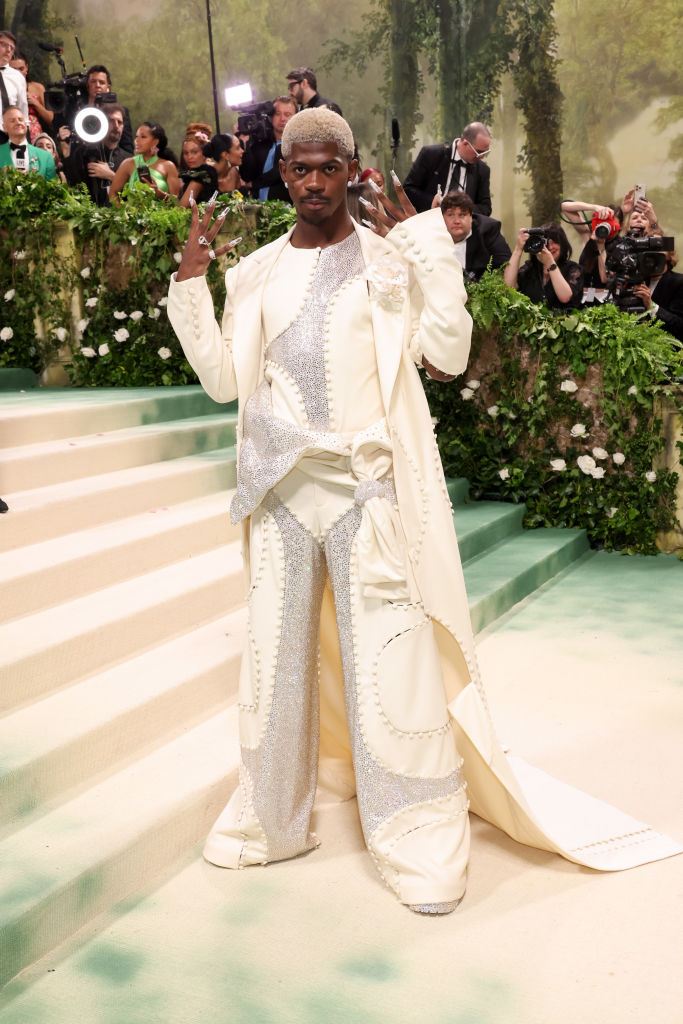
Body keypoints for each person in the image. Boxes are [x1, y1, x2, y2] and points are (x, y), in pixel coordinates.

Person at [167, 107, 680, 912]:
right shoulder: (257, 271)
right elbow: (227, 382)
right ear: (286, 174)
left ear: (350, 170)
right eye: (296, 169)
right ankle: (268, 821)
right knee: (272, 661)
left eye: (324, 168)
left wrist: (430, 251)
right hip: (278, 498)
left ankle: (414, 831)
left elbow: (446, 352)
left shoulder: (389, 259)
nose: (309, 182)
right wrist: (190, 286)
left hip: (367, 492)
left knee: (392, 665)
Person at [404, 122, 492, 214]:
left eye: (485, 152)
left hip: (461, 226)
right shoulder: (431, 155)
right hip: (429, 220)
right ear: (465, 143)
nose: (482, 157)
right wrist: (436, 203)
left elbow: (485, 208)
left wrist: (462, 208)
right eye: (479, 152)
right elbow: (408, 190)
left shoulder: (483, 170)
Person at [61, 104, 132, 205]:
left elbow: (134, 193)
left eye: (119, 122)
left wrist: (112, 176)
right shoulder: (83, 154)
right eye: (111, 120)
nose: (116, 126)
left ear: (123, 126)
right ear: (101, 123)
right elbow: (73, 186)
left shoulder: (129, 159)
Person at [504, 222, 582, 310]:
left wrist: (550, 264)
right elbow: (508, 287)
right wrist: (518, 249)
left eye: (555, 242)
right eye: (546, 243)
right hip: (531, 322)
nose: (550, 247)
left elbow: (565, 297)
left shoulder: (573, 269)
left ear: (563, 244)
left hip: (564, 322)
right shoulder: (529, 268)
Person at [440, 190, 511, 280]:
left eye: (462, 215)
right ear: (442, 218)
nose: (456, 221)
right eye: (451, 215)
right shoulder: (433, 236)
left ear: (471, 217)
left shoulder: (488, 231)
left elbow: (505, 268)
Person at [241, 95, 296, 202]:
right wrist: (246, 144)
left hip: (285, 209)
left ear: (295, 117)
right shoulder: (259, 144)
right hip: (256, 207)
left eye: (287, 114)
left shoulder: (297, 144)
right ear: (270, 116)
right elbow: (247, 175)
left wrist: (254, 184)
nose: (282, 119)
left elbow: (279, 173)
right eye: (277, 113)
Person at [110, 121, 179, 205]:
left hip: (160, 216)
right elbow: (113, 193)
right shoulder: (127, 164)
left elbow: (176, 202)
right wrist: (124, 214)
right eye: (136, 136)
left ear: (155, 142)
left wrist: (158, 193)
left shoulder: (168, 166)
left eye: (143, 137)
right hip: (133, 216)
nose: (137, 141)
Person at [0, 106, 55, 179]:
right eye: (12, 121)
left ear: (26, 124)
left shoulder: (46, 157)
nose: (18, 122)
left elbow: (52, 188)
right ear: (4, 127)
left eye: (20, 119)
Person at [9, 52, 48, 139]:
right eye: (14, 70)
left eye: (21, 69)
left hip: (34, 138)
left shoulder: (37, 88)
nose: (18, 73)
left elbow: (51, 120)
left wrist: (35, 103)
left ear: (26, 67)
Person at [178, 124, 218, 207]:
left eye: (194, 152)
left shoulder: (201, 175)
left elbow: (181, 209)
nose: (189, 157)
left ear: (204, 152)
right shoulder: (198, 173)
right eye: (185, 153)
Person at [0, 30, 27, 119]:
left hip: (10, 131)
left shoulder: (18, 77)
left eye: (12, 48)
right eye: (4, 45)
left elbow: (23, 111)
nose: (8, 50)